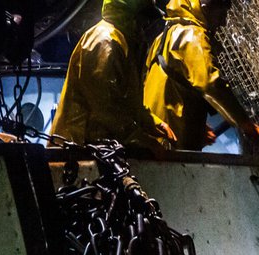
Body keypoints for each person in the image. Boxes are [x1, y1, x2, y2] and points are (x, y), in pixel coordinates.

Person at [50, 0, 176, 149]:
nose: (146, 24)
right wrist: (142, 140)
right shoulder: (105, 41)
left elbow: (129, 103)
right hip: (77, 150)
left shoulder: (125, 41)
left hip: (97, 149)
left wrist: (153, 122)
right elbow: (106, 108)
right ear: (132, 15)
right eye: (144, 16)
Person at [143, 0, 259, 151]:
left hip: (154, 138)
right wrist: (246, 124)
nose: (223, 22)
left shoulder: (165, 34)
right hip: (171, 144)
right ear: (206, 8)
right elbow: (211, 84)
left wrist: (197, 127)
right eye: (222, 14)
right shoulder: (192, 35)